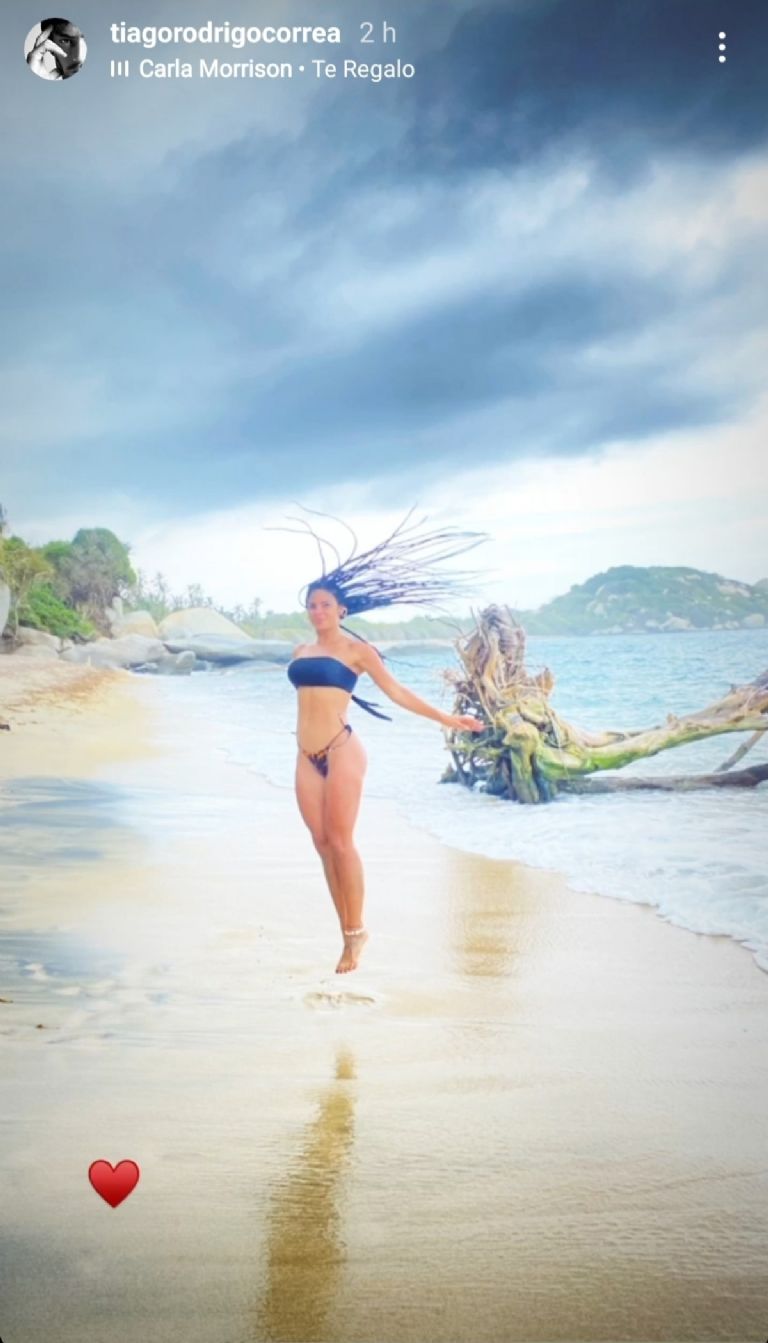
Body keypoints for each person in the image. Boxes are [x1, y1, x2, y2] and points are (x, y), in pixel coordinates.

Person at [277, 506, 489, 976]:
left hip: (341, 750)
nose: (317, 612)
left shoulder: (358, 651)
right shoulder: (301, 650)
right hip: (305, 756)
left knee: (341, 841)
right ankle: (346, 931)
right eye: (311, 605)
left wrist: (446, 718)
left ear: (342, 610)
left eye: (325, 605)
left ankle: (355, 935)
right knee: (321, 844)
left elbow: (397, 692)